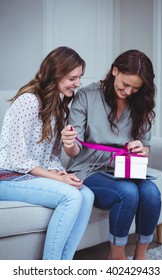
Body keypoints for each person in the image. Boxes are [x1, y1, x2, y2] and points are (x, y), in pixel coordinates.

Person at [61, 49, 161, 260]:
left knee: (151, 192)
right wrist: (69, 145)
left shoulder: (139, 100)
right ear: (115, 71)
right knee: (128, 192)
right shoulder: (86, 96)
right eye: (125, 85)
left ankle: (141, 257)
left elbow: (146, 145)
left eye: (135, 88)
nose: (128, 92)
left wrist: (143, 150)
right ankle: (116, 255)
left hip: (125, 168)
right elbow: (74, 149)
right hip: (89, 169)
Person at [0, 46, 94, 260]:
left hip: (28, 176)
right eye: (73, 77)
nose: (78, 83)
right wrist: (58, 180)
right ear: (56, 74)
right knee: (70, 196)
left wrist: (61, 174)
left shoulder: (57, 106)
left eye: (79, 77)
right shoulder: (28, 101)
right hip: (7, 177)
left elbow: (50, 156)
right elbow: (17, 159)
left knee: (86, 195)